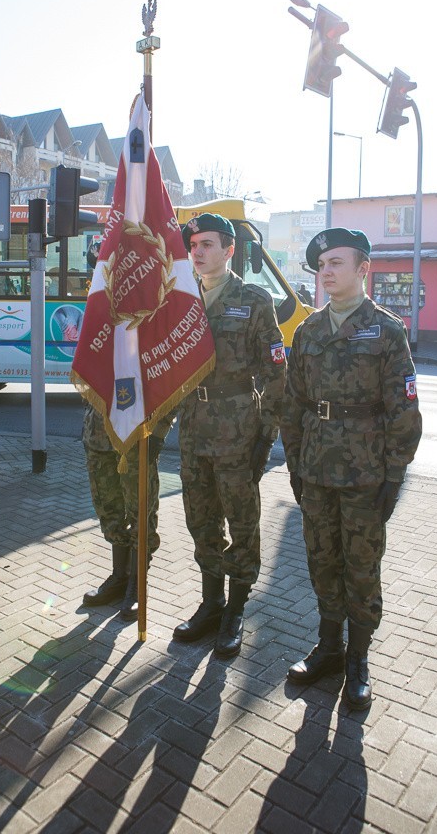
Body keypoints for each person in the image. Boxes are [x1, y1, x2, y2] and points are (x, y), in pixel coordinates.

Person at [281, 227, 422, 709]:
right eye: (321, 265)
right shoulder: (307, 330)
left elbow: (403, 408)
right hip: (317, 469)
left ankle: (359, 659)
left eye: (336, 263)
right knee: (321, 560)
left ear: (363, 269)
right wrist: (296, 466)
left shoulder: (386, 329)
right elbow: (294, 403)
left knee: (361, 567)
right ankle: (330, 648)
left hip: (366, 474)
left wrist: (395, 474)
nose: (326, 272)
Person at [173, 213, 286, 658]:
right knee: (200, 519)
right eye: (194, 244)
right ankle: (211, 604)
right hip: (194, 427)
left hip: (238, 428)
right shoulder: (180, 299)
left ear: (229, 250)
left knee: (241, 521)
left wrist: (267, 434)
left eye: (207, 244)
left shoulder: (253, 300)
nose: (197, 252)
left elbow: (276, 373)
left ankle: (236, 610)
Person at [81, 405, 173, 621]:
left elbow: (169, 386)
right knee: (108, 508)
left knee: (141, 512)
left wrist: (158, 434)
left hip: (136, 437)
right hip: (98, 436)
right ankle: (120, 576)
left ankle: (137, 583)